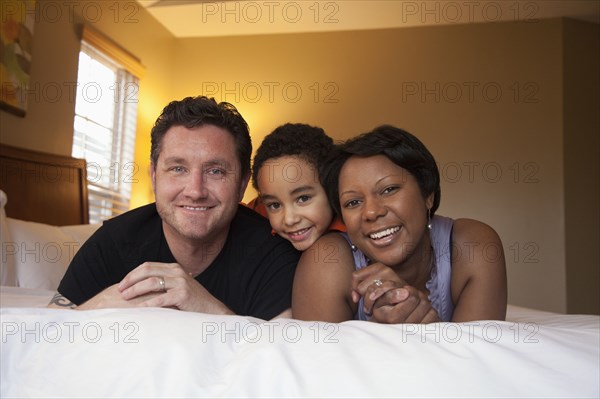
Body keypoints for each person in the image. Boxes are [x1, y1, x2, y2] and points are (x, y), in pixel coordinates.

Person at [48, 96, 300, 320]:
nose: (195, 191)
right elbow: (46, 336)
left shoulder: (274, 254)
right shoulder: (116, 240)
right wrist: (100, 305)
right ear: (155, 176)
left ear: (242, 184)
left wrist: (209, 309)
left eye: (216, 171)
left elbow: (278, 360)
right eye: (178, 168)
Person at [293, 125, 507, 323]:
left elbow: (477, 360)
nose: (371, 212)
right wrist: (380, 337)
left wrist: (427, 328)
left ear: (428, 194)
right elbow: (315, 361)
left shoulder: (473, 246)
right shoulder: (326, 260)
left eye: (389, 189)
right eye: (353, 202)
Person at [250, 123, 344, 251]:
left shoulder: (360, 232)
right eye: (275, 205)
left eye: (303, 198)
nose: (289, 220)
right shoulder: (256, 217)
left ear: (332, 188)